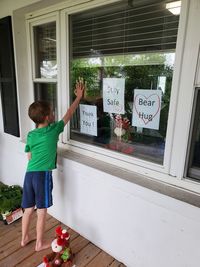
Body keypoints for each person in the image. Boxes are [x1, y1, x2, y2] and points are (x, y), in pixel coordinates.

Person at [21, 78, 85, 251]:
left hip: (29, 174)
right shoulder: (53, 130)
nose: (54, 113)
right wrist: (78, 97)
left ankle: (24, 238)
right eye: (52, 111)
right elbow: (69, 114)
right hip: (42, 175)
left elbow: (29, 154)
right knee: (41, 211)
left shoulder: (31, 134)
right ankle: (39, 243)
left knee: (28, 209)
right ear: (48, 117)